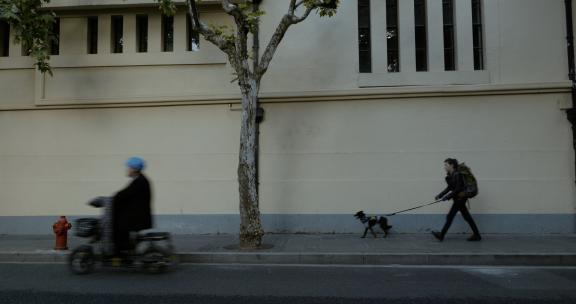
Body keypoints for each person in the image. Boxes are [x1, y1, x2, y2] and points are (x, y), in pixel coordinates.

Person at [432, 158, 481, 242]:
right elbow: (450, 187)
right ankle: (477, 235)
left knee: (450, 216)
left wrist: (447, 197)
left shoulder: (457, 174)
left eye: (446, 165)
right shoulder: (451, 175)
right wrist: (440, 195)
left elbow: (458, 188)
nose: (444, 167)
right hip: (457, 198)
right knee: (467, 217)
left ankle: (441, 235)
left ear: (452, 165)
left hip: (460, 198)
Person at [113, 156, 153, 255]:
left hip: (138, 218)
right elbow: (126, 194)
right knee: (119, 222)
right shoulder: (140, 179)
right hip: (138, 215)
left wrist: (113, 198)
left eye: (129, 168)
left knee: (116, 225)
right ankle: (125, 248)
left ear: (134, 169)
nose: (127, 170)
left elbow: (124, 194)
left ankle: (122, 251)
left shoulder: (139, 181)